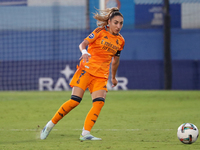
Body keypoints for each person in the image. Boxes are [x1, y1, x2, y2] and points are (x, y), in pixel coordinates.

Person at [40, 7, 125, 141]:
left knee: (99, 103)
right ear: (109, 22)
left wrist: (113, 77)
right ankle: (50, 125)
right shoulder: (99, 32)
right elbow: (83, 43)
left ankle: (85, 133)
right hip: (86, 70)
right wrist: (84, 52)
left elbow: (115, 61)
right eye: (116, 22)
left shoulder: (120, 41)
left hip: (101, 75)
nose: (118, 26)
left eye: (121, 23)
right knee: (75, 101)